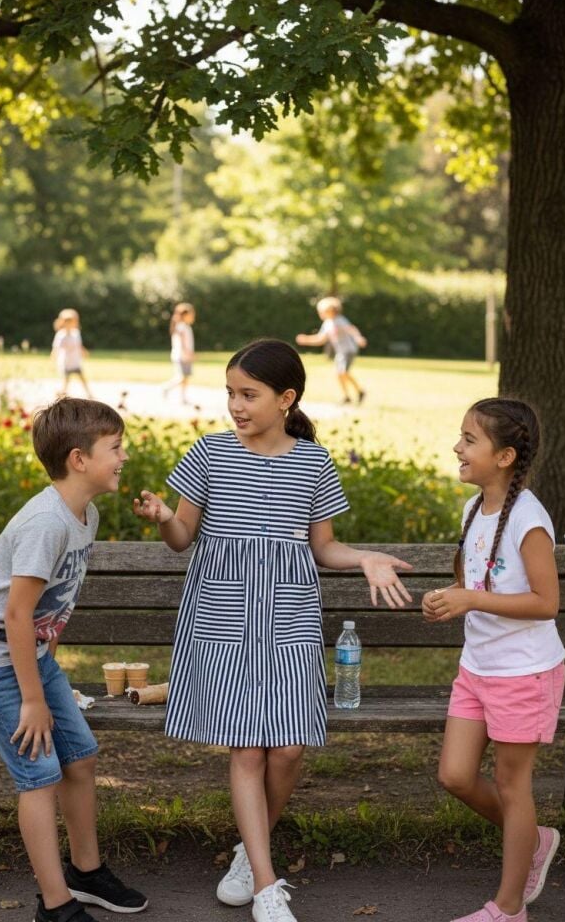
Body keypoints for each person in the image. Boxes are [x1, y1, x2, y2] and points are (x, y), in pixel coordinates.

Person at [133, 338, 412, 922]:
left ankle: (247, 850)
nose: (235, 405)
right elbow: (183, 538)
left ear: (285, 398)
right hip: (223, 619)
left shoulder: (313, 462)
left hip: (289, 618)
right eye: (230, 393)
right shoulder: (208, 452)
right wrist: (163, 519)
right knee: (246, 746)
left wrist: (365, 558)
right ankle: (265, 884)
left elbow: (324, 546)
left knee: (287, 747)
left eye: (248, 394)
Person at [0, 398, 147, 922]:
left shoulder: (86, 514)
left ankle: (85, 872)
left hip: (26, 654)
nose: (124, 457)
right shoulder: (46, 523)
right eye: (116, 448)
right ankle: (55, 907)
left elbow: (51, 606)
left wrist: (46, 671)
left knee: (80, 756)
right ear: (79, 459)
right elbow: (15, 614)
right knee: (39, 774)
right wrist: (33, 700)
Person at [422, 398, 565, 922]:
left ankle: (508, 909)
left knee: (512, 785)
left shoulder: (528, 518)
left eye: (469, 440)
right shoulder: (473, 508)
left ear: (504, 456)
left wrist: (471, 598)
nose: (456, 447)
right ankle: (533, 839)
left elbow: (546, 603)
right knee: (456, 776)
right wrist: (448, 598)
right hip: (477, 669)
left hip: (524, 672)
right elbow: (475, 583)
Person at [295, 296, 367, 405]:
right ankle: (350, 395)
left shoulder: (339, 320)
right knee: (339, 374)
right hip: (341, 351)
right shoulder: (327, 324)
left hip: (348, 350)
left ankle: (359, 392)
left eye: (321, 311)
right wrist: (306, 340)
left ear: (330, 311)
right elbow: (320, 339)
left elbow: (351, 329)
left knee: (342, 372)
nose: (320, 314)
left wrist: (358, 337)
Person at [51, 308, 92, 399]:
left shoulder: (76, 333)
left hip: (75, 361)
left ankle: (89, 393)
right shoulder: (61, 335)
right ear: (63, 323)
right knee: (66, 380)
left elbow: (79, 345)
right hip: (66, 362)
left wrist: (84, 352)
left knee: (82, 378)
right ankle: (61, 394)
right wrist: (53, 356)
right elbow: (56, 348)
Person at [162, 302, 196, 405]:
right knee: (181, 377)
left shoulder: (185, 327)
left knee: (185, 378)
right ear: (185, 315)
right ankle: (166, 388)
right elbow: (182, 343)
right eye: (191, 314)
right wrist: (188, 353)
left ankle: (183, 397)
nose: (193, 316)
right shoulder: (181, 327)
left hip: (185, 356)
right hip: (181, 356)